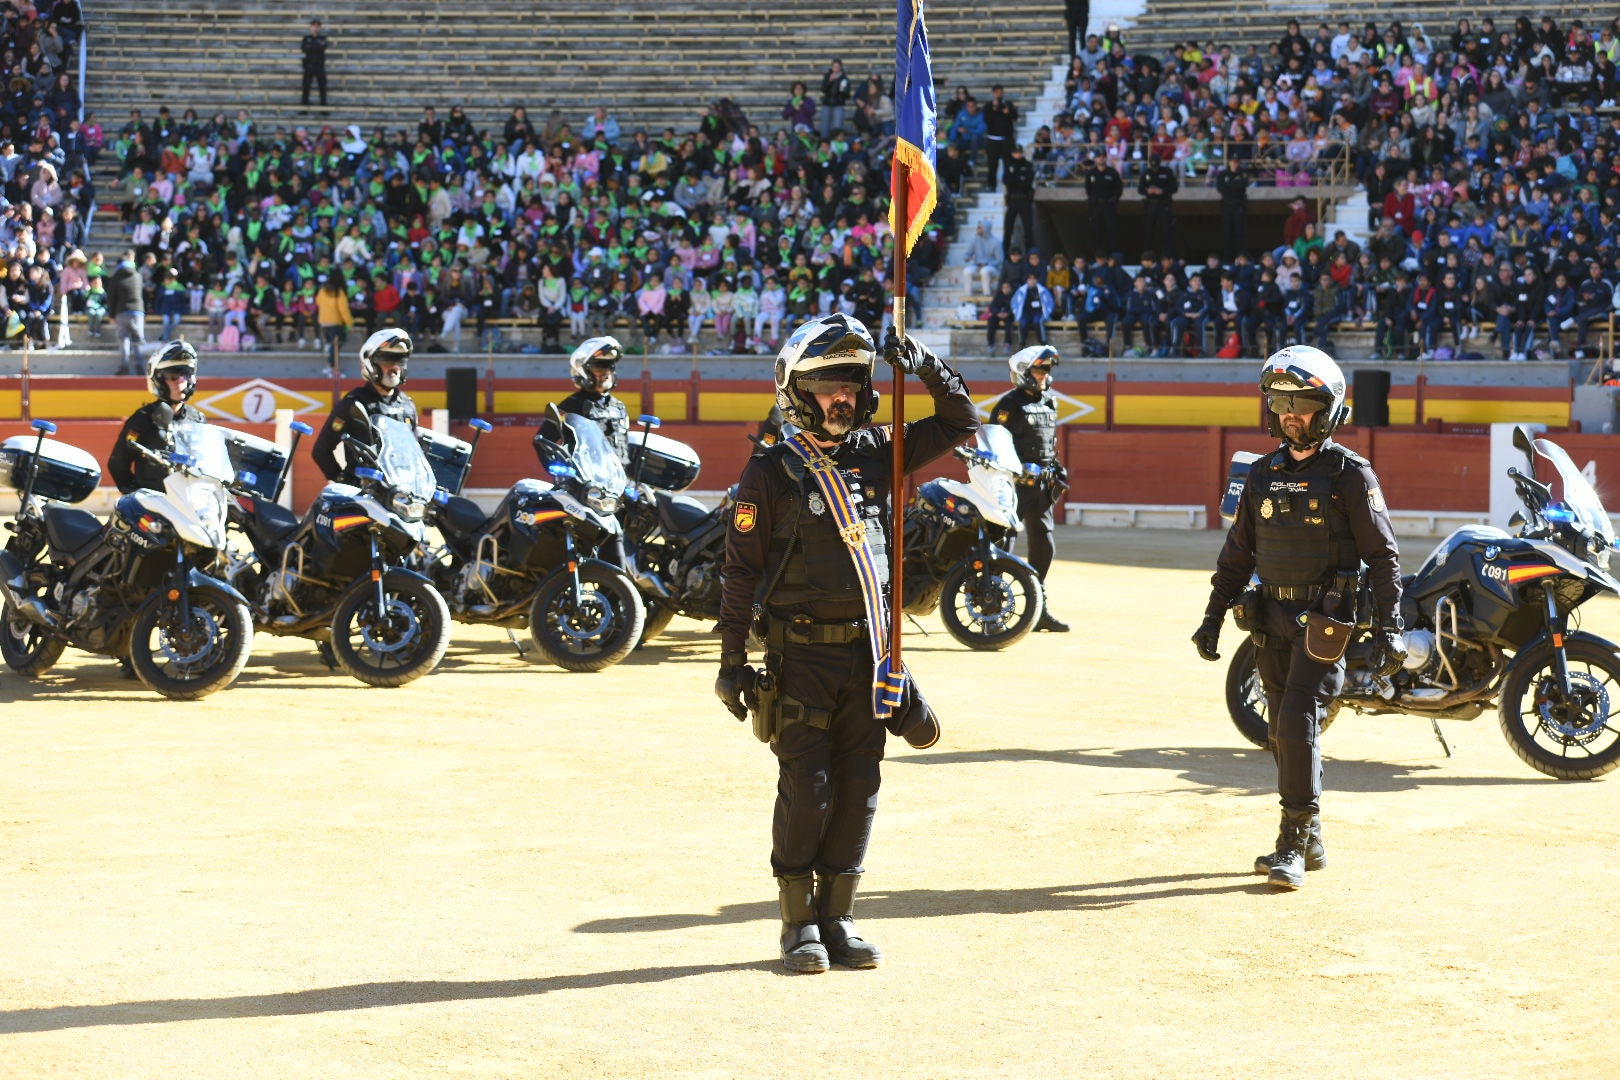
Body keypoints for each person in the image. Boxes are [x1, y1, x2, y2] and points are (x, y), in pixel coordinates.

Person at [715, 314, 977, 973]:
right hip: (798, 656)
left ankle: (839, 917)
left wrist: (922, 361)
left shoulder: (879, 450)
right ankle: (796, 924)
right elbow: (740, 571)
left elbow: (958, 422)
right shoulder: (769, 473)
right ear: (798, 392)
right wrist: (729, 663)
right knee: (810, 788)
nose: (844, 399)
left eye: (854, 387)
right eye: (829, 386)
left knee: (861, 788)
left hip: (871, 657)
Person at [1193, 346, 1404, 891]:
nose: (1291, 411)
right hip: (1270, 619)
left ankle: (1290, 840)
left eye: (1304, 401)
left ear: (1329, 409)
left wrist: (1390, 626)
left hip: (1325, 621)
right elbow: (1237, 555)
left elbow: (1383, 557)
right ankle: (1311, 840)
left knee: (1296, 721)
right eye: (1281, 400)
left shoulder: (1351, 475)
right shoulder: (1260, 475)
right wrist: (1213, 617)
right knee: (1281, 733)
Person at [991, 345, 1069, 632]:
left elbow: (1050, 442)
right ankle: (994, 606)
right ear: (1023, 371)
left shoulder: (1050, 402)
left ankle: (1038, 608)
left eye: (1046, 370)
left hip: (1043, 486)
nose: (1043, 375)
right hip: (1014, 485)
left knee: (1044, 543)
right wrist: (1015, 469)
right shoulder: (1008, 405)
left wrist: (1056, 466)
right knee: (1003, 543)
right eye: (1039, 369)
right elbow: (995, 444)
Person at [311, 327, 418, 483]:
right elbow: (321, 451)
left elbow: (417, 453)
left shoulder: (407, 405)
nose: (394, 367)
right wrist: (345, 481)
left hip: (400, 495)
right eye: (388, 360)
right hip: (363, 495)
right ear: (370, 363)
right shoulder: (354, 403)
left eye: (400, 361)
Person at [107, 341, 206, 494]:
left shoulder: (197, 419)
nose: (180, 381)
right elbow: (117, 463)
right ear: (159, 380)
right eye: (172, 376)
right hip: (154, 504)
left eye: (185, 375)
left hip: (189, 504)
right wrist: (134, 494)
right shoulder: (143, 418)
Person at [555, 335, 630, 464]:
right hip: (584, 482)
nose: (606, 373)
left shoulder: (618, 406)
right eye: (599, 368)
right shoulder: (571, 405)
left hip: (618, 481)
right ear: (583, 371)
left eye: (609, 367)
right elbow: (543, 440)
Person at [107, 249, 144, 375]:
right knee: (138, 339)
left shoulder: (115, 277)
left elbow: (112, 297)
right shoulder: (138, 276)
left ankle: (124, 366)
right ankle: (140, 366)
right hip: (137, 311)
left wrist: (111, 315)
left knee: (124, 340)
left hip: (121, 311)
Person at [1002, 143, 1036, 254]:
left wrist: (1017, 179)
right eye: (1016, 153)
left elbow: (1028, 181)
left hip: (1025, 199)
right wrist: (1019, 179)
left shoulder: (1028, 165)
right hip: (1012, 199)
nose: (1018, 155)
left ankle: (1030, 254)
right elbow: (1006, 180)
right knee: (1008, 228)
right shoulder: (1008, 164)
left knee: (1028, 229)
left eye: (1020, 152)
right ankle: (1005, 252)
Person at [301, 19, 329, 107]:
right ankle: (304, 107)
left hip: (319, 65)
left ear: (320, 28)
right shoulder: (306, 38)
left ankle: (323, 107)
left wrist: (312, 47)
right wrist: (316, 46)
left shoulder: (323, 38)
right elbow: (304, 48)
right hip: (308, 65)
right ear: (310, 27)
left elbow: (322, 47)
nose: (315, 28)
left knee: (322, 87)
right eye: (313, 26)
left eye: (317, 26)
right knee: (306, 87)